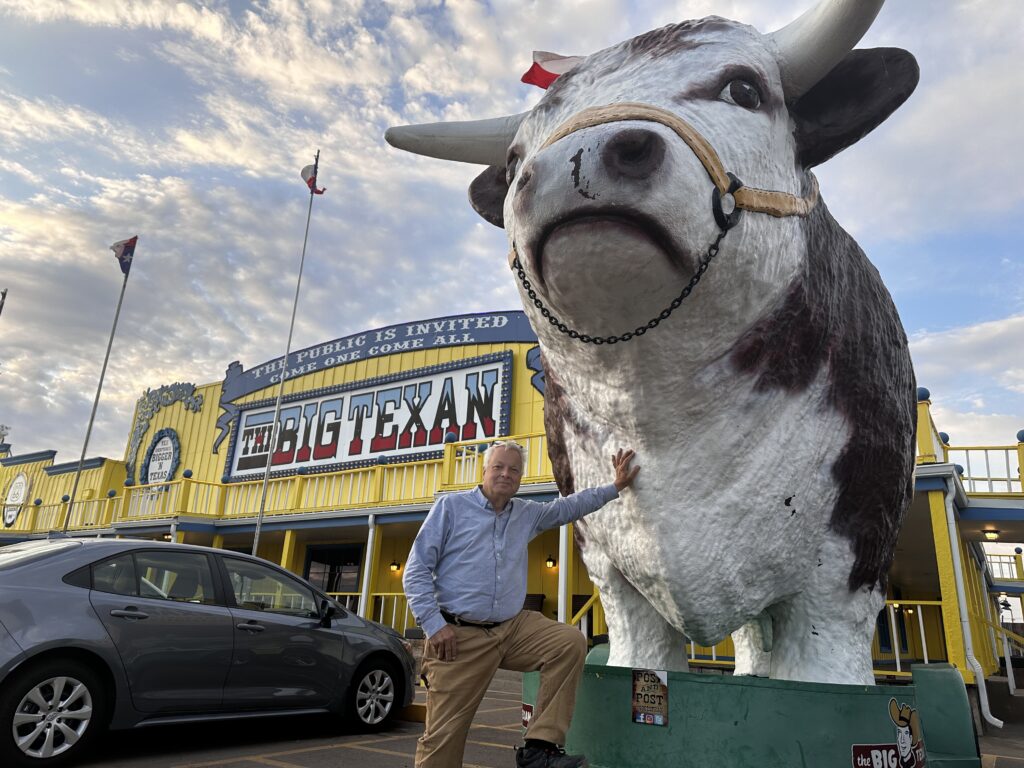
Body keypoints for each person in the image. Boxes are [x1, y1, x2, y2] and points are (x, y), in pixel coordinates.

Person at [403, 439, 640, 768]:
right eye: (498, 467)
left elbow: (568, 508)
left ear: (520, 478)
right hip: (458, 637)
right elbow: (415, 571)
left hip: (512, 628)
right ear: (484, 470)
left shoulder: (526, 514)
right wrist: (434, 625)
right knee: (442, 736)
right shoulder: (450, 508)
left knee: (568, 641)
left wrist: (614, 487)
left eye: (514, 470)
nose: (505, 474)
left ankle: (539, 748)